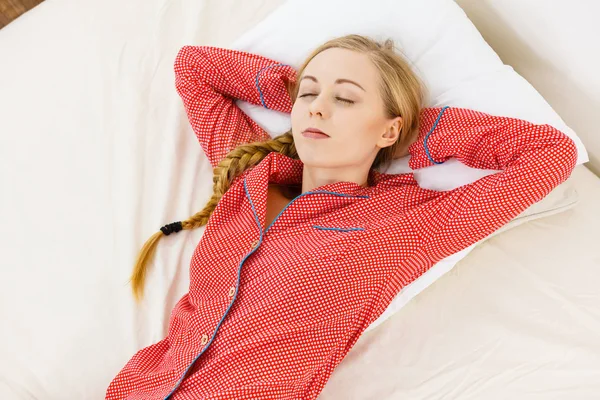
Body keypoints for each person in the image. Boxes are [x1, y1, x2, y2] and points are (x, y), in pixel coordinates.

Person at [106, 34, 577, 399]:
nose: (318, 109)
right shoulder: (251, 176)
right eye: (309, 96)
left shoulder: (403, 226)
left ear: (389, 127)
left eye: (346, 100)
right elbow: (195, 67)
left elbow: (550, 153)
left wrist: (410, 130)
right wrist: (295, 90)